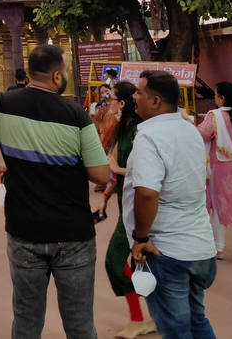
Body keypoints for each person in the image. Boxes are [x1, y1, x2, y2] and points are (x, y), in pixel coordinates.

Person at [0, 45, 110, 337]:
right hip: (72, 232)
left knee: (26, 321)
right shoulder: (76, 116)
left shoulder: (2, 104)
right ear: (57, 76)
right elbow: (100, 174)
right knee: (80, 324)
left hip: (24, 229)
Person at [124, 71, 217, 339]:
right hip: (199, 247)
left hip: (167, 251)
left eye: (139, 92)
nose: (134, 96)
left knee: (176, 329)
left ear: (155, 101)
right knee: (196, 319)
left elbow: (146, 193)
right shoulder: (189, 129)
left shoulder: (150, 137)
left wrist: (140, 238)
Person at [100, 81, 156, 339]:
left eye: (112, 99)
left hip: (138, 207)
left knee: (115, 260)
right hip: (126, 203)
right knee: (139, 264)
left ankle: (141, 318)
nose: (108, 103)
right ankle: (147, 317)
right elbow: (118, 165)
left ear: (122, 103)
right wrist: (109, 192)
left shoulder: (138, 132)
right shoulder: (123, 128)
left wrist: (116, 168)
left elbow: (145, 172)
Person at [197, 81, 232, 261]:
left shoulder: (215, 116)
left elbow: (203, 134)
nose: (214, 98)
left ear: (221, 98)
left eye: (215, 95)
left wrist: (191, 122)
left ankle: (218, 249)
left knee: (219, 205)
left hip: (222, 167)